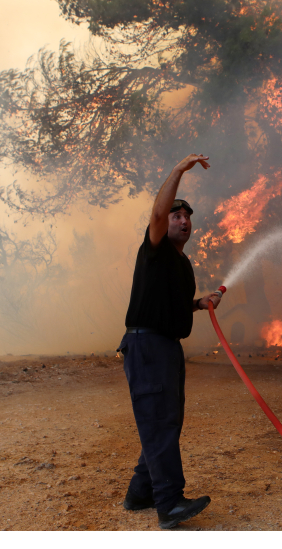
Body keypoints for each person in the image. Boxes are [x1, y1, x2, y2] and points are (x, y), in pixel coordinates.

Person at [117, 153, 223, 530]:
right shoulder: (156, 248)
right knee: (160, 420)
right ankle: (169, 502)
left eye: (188, 216)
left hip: (166, 347)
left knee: (165, 421)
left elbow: (172, 304)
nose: (183, 220)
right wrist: (178, 170)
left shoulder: (181, 263)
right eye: (177, 215)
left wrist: (198, 303)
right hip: (147, 346)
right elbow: (157, 215)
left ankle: (141, 491)